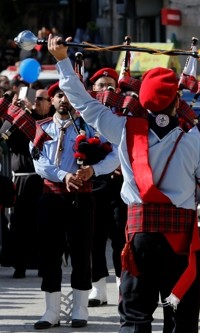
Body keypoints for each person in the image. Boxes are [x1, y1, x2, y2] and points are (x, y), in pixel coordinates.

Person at [47, 34, 200, 333]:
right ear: (178, 101)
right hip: (180, 242)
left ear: (142, 100)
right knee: (180, 318)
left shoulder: (124, 129)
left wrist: (62, 60)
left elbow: (82, 103)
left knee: (136, 316)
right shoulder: (194, 141)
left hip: (140, 239)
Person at [30, 81, 119, 329]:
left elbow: (115, 154)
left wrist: (94, 169)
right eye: (59, 95)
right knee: (50, 254)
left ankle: (80, 309)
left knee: (82, 252)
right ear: (52, 101)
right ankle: (51, 311)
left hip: (82, 198)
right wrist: (63, 175)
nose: (63, 99)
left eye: (68, 95)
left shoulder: (90, 129)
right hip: (51, 196)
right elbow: (39, 163)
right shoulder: (41, 128)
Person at [0, 88, 53, 279]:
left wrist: (27, 115)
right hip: (22, 180)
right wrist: (15, 114)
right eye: (34, 99)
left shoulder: (50, 121)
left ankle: (42, 264)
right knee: (19, 224)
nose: (36, 102)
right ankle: (19, 264)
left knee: (43, 224)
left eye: (41, 99)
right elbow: (3, 136)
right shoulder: (20, 120)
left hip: (43, 180)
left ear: (50, 103)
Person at [86, 67, 127, 307]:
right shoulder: (84, 114)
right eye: (101, 85)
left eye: (111, 84)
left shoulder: (122, 115)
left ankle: (124, 287)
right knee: (95, 237)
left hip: (118, 182)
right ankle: (98, 289)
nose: (106, 89)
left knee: (120, 235)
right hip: (93, 183)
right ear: (93, 90)